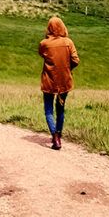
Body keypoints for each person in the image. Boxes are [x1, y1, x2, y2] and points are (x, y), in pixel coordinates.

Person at [38, 15, 79, 150]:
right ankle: (59, 134)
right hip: (64, 82)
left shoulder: (44, 43)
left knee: (48, 110)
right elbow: (75, 60)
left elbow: (42, 54)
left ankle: (55, 136)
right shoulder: (69, 42)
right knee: (60, 108)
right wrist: (67, 68)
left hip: (49, 81)